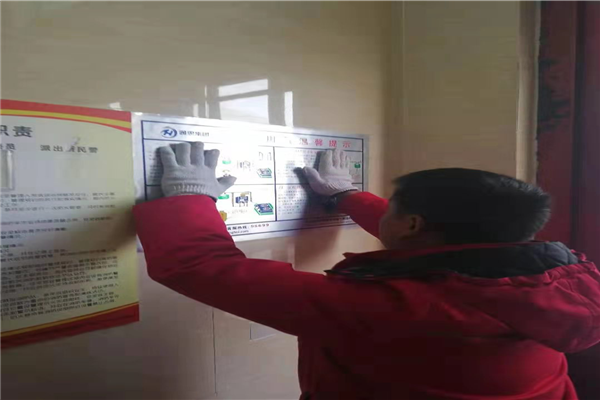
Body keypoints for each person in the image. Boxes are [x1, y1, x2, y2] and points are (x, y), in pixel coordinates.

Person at [133, 142, 600, 400]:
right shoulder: (554, 279)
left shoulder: (392, 308)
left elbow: (200, 267)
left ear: (412, 223)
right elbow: (437, 247)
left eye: (393, 208)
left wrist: (189, 197)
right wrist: (345, 196)